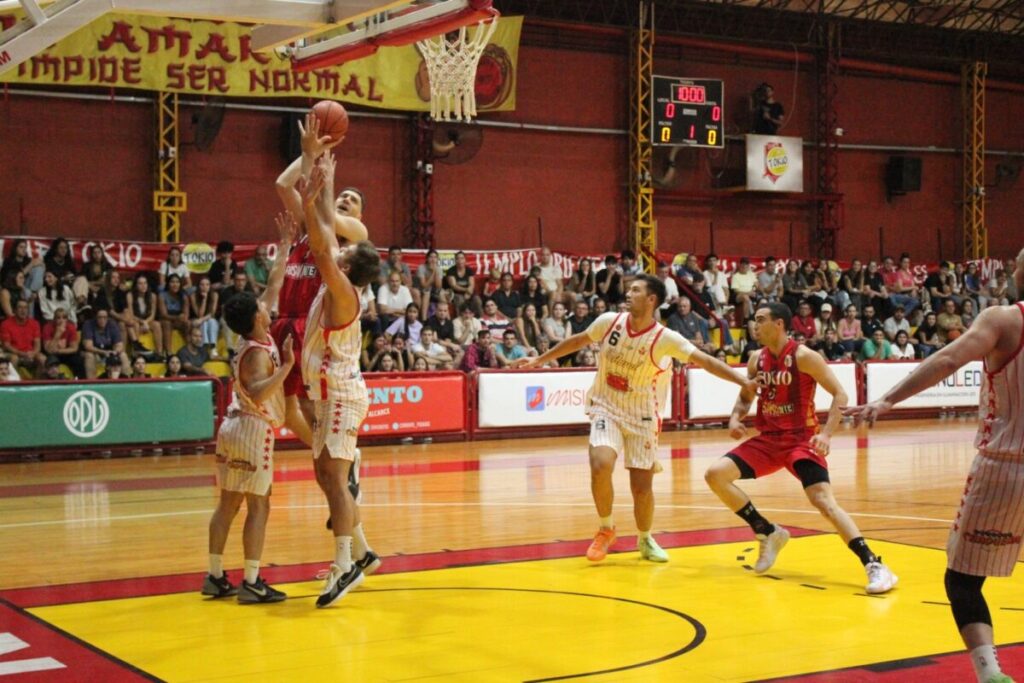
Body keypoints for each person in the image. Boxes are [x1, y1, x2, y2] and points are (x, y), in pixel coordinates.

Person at [844, 248, 1024, 683]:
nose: (1013, 271)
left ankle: (990, 674)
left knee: (963, 580)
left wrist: (888, 398)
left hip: (1007, 466)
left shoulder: (1005, 319)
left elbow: (947, 360)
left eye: (1018, 264)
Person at [514, 275, 759, 563]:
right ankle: (606, 529)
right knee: (600, 463)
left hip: (643, 416)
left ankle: (645, 538)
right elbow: (579, 340)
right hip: (607, 406)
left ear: (651, 299)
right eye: (628, 288)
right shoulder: (609, 321)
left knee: (641, 487)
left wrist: (742, 380)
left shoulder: (665, 338)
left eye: (635, 290)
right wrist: (540, 360)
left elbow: (705, 360)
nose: (628, 293)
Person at [704, 302, 898, 594]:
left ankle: (874, 563)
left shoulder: (804, 356)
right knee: (715, 474)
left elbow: (840, 394)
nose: (754, 325)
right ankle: (767, 531)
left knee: (822, 500)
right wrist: (734, 418)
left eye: (760, 320)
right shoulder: (757, 358)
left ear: (779, 324)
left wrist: (828, 435)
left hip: (800, 440)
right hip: (768, 440)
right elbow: (746, 395)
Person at [298, 152, 383, 608]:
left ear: (347, 265)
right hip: (329, 392)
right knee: (328, 475)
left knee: (334, 478)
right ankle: (360, 554)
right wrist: (326, 180)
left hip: (341, 395)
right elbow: (328, 237)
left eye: (343, 252)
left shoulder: (343, 289)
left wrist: (314, 198)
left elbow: (318, 241)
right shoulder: (345, 282)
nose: (339, 249)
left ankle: (344, 563)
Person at [273, 112, 369, 506]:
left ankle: (342, 461)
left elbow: (327, 219)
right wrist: (310, 152)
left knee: (311, 404)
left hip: (314, 327)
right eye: (343, 194)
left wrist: (318, 167)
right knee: (287, 410)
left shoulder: (356, 236)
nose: (346, 198)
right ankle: (337, 456)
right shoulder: (310, 227)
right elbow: (282, 185)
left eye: (355, 200)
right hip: (285, 319)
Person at [202, 213, 295, 604]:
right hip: (253, 428)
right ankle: (252, 581)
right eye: (262, 307)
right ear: (257, 317)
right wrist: (287, 366)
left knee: (228, 502)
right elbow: (257, 391)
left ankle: (214, 575)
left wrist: (286, 242)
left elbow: (274, 281)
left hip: (233, 427)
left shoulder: (255, 332)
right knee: (259, 504)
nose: (266, 306)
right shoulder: (258, 352)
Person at [81, 308, 131, 379]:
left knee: (123, 355)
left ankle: (128, 382)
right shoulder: (88, 325)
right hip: (95, 353)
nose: (102, 320)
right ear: (95, 317)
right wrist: (103, 352)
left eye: (105, 317)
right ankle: (92, 384)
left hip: (109, 353)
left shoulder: (112, 324)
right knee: (89, 356)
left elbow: (120, 345)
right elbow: (88, 346)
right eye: (100, 317)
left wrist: (114, 352)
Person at [1, 299, 45, 377]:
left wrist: (33, 353)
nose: (23, 310)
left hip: (30, 354)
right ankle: (13, 383)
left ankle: (37, 383)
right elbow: (6, 345)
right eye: (20, 307)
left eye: (25, 308)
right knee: (14, 358)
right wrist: (22, 354)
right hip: (14, 353)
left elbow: (37, 345)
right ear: (14, 310)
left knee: (42, 358)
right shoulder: (6, 324)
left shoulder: (35, 323)